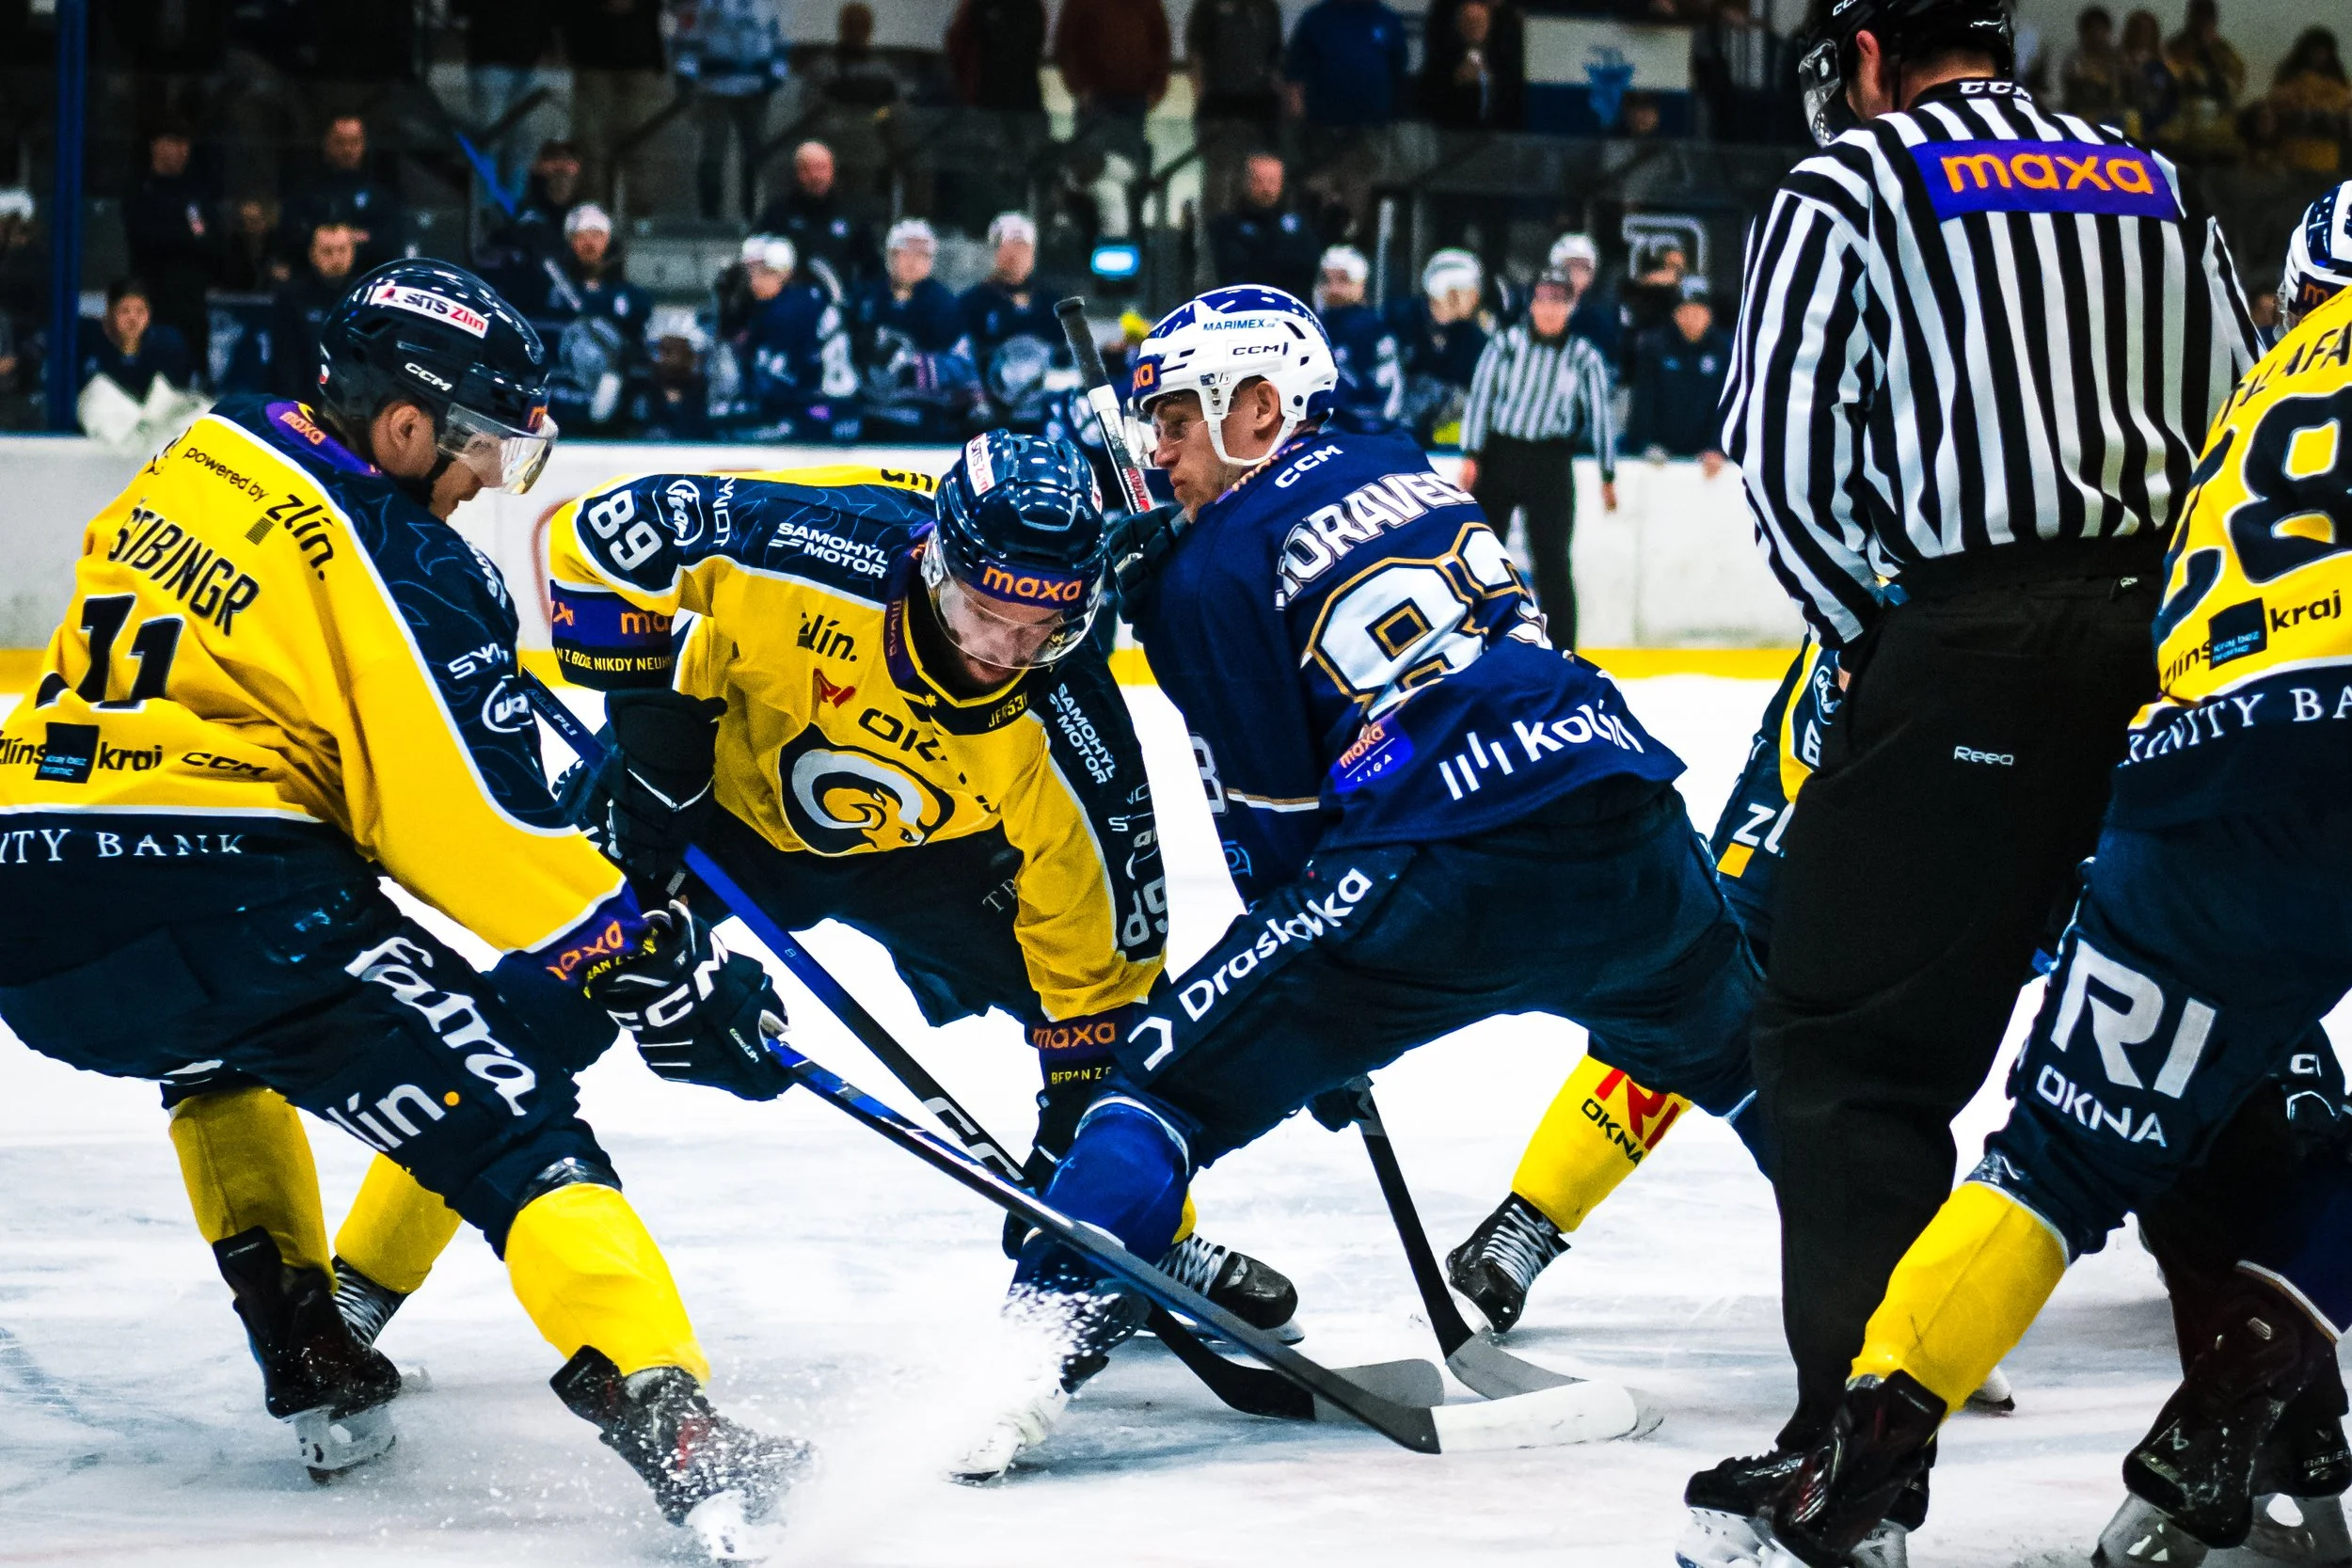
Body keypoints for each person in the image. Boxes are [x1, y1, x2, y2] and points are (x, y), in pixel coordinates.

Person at [0, 259, 807, 1551]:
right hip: (230, 885)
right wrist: (649, 960)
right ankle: (683, 1429)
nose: (492, 474)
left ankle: (312, 1352)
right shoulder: (404, 557)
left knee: (218, 1052)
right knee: (516, 1132)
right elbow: (470, 832)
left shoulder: (208, 452)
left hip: (29, 895)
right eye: (485, 440)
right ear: (407, 423)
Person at [953, 284, 1772, 1479]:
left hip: (1439, 863)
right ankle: (1900, 1327)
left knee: (1150, 1092)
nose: (1160, 448)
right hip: (1631, 821)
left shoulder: (1204, 569)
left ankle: (1005, 1381)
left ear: (1260, 406)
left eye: (1178, 416)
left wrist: (1320, 1022)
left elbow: (1277, 832)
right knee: (1763, 1065)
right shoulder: (1404, 462)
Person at [330, 432, 1306, 1404]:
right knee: (532, 1014)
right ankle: (357, 1283)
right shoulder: (811, 546)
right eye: (983, 613)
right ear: (934, 563)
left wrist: (1077, 1161)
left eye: (1040, 629)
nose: (1002, 654)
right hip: (712, 795)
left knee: (1137, 1054)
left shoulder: (1068, 725)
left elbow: (1102, 972)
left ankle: (1143, 1241)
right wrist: (657, 757)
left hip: (931, 854)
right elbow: (598, 537)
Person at [1693, 0, 2262, 1554]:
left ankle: (1849, 1453)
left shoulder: (1852, 177)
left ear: (1872, 53)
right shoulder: (2149, 172)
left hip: (1977, 639)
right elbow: (2249, 413)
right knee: (2188, 1022)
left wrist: (1891, 643)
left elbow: (1785, 450)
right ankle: (2266, 1403)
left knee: (1847, 1043)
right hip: (2173, 636)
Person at [1750, 178, 2352, 1568]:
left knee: (2055, 1156)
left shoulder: (2258, 396)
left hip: (2200, 771)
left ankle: (1860, 1451)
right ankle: (2241, 1392)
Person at [1455, 268, 1615, 647]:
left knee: (1553, 562)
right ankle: (1472, 642)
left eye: (1558, 302)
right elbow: (1481, 398)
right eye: (1542, 300)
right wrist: (1471, 454)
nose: (1549, 310)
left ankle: (1563, 652)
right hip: (1500, 455)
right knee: (1482, 555)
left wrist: (1608, 475)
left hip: (1551, 462)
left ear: (1570, 307)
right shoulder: (1505, 345)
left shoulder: (1584, 357)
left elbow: (1600, 415)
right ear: (1531, 304)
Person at [848, 218, 978, 441]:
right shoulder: (864, 298)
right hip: (867, 418)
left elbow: (965, 368)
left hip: (923, 421)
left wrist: (911, 365)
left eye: (922, 254)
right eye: (905, 251)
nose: (913, 261)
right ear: (890, 255)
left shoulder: (944, 304)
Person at [532, 204, 654, 432]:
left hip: (615, 410)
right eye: (581, 236)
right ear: (569, 240)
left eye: (597, 235)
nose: (590, 243)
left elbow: (639, 355)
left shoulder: (633, 297)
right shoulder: (544, 293)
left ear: (608, 240)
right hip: (560, 404)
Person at [730, 234, 859, 439]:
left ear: (784, 272)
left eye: (765, 272)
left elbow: (795, 379)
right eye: (751, 272)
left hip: (822, 409)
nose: (755, 280)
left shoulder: (796, 308)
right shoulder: (770, 308)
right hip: (810, 406)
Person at [674, 0, 787, 223]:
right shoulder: (705, 4)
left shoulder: (768, 4)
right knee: (712, 153)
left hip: (755, 89)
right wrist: (686, 73)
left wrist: (776, 74)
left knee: (754, 154)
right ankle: (710, 216)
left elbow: (778, 37)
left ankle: (752, 215)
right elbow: (690, 35)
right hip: (715, 87)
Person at [122, 121, 217, 379]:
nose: (181, 150)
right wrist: (184, 238)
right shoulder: (140, 189)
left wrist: (182, 239)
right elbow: (146, 238)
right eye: (173, 142)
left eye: (184, 144)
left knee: (195, 377)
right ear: (156, 145)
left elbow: (210, 240)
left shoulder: (198, 191)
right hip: (153, 299)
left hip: (191, 301)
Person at [961, 212, 1070, 434]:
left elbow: (1064, 360)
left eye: (1023, 247)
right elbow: (963, 361)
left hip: (1043, 417)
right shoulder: (971, 302)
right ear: (994, 251)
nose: (1016, 255)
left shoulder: (1053, 302)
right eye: (1008, 246)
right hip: (992, 418)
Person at [1053, 0, 1170, 186]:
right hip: (1095, 99)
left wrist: (1157, 87)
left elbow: (1161, 44)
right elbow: (1064, 47)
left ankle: (1128, 211)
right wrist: (1080, 86)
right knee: (1091, 166)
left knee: (1129, 168)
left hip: (1135, 97)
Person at [561, 0, 670, 202]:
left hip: (639, 58)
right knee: (591, 147)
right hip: (592, 57)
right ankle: (592, 218)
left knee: (640, 147)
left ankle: (639, 218)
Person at [1185, 0, 1286, 214]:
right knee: (1221, 178)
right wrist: (1201, 97)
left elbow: (1275, 57)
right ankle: (1215, 240)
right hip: (1220, 107)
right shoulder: (1208, 8)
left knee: (1257, 180)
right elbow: (1196, 56)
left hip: (1260, 109)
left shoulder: (1267, 9)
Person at [77, 277, 201, 444]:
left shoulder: (166, 346)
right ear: (110, 312)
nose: (133, 319)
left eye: (140, 311)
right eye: (125, 311)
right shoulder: (87, 342)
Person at [753, 141, 882, 298]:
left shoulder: (852, 215)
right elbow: (755, 259)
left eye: (822, 168)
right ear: (798, 173)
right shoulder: (778, 214)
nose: (816, 176)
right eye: (807, 169)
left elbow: (872, 268)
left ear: (832, 171)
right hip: (788, 307)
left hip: (838, 307)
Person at [1626, 276, 1729, 470]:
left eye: (1698, 310)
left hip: (1708, 459)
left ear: (1709, 314)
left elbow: (1729, 404)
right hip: (1660, 456)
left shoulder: (1725, 351)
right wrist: (1647, 444)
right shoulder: (1654, 347)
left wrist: (1718, 448)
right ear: (1675, 314)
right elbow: (1643, 400)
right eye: (1685, 310)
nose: (1692, 317)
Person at [454, 0, 558, 195]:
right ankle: (503, 200)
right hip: (511, 51)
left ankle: (494, 200)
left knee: (500, 137)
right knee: (501, 137)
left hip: (504, 52)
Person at [279, 115, 405, 273]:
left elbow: (389, 243)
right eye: (340, 142)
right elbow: (291, 238)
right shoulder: (306, 191)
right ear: (326, 143)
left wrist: (349, 239)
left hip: (364, 280)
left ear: (364, 144)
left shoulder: (381, 195)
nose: (347, 150)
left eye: (354, 142)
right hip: (309, 282)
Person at [1390, 247, 1488, 445]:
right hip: (1395, 437)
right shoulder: (1398, 321)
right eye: (1470, 289)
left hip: (1444, 445)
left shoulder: (1475, 338)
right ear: (1449, 292)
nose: (1477, 297)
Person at [1206, 151, 1324, 300]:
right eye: (1259, 181)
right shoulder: (1225, 227)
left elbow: (1309, 271)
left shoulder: (1299, 228)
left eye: (1272, 181)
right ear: (1246, 182)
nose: (1266, 189)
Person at [1315, 245, 1403, 431]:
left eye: (1343, 280)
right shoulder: (1310, 325)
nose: (1333, 288)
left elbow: (1385, 399)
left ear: (1361, 284)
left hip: (1361, 432)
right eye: (1326, 279)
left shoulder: (1374, 331)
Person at [270, 222, 360, 399]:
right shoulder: (291, 296)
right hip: (304, 401)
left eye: (342, 250)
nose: (336, 258)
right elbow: (287, 363)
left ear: (353, 252)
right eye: (327, 251)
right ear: (312, 254)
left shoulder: (365, 293)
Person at [1421, 0, 1525, 130]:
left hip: (1500, 130)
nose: (1474, 27)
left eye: (1478, 24)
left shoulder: (1508, 29)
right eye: (1469, 23)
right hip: (1450, 130)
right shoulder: (1443, 44)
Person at [2162, 0, 2246, 161]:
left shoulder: (2225, 53)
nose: (2201, 22)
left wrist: (2207, 55)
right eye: (2197, 16)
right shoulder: (2174, 47)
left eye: (2206, 17)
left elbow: (2234, 87)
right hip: (2179, 131)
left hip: (2215, 132)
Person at [2261, 27, 2349, 176]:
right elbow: (2277, 103)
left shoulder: (2337, 83)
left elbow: (2344, 104)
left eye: (2324, 51)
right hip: (2293, 154)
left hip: (2326, 158)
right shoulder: (2290, 79)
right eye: (2316, 51)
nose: (2320, 56)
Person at [1549, 231, 1621, 366]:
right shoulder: (1534, 313)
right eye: (1569, 266)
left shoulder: (1600, 321)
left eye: (1584, 268)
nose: (1576, 274)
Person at [2059, 5, 2128, 124]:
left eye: (2101, 30)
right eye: (2093, 30)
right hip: (2084, 117)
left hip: (2115, 116)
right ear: (2084, 33)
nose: (2097, 35)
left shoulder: (2118, 59)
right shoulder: (2075, 61)